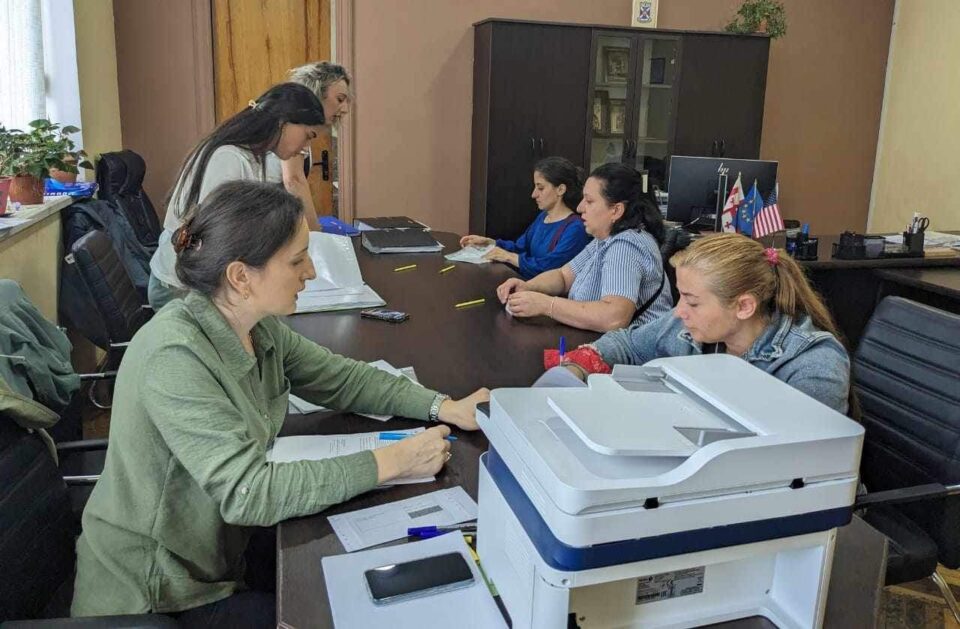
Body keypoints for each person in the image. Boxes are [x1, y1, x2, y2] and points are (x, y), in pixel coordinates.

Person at [72, 181, 490, 625]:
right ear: (241, 276)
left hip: (222, 551)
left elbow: (341, 379)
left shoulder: (254, 325)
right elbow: (248, 493)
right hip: (160, 591)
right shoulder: (175, 357)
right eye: (296, 260)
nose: (310, 272)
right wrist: (392, 462)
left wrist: (444, 407)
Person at [554, 233, 851, 414]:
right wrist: (575, 368)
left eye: (692, 302)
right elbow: (626, 343)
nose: (679, 312)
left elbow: (798, 465)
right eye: (681, 296)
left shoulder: (813, 366)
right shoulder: (688, 327)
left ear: (744, 306)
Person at [148, 82, 328, 310]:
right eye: (308, 136)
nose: (305, 147)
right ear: (283, 123)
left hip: (202, 279)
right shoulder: (229, 158)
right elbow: (217, 237)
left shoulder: (255, 157)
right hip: (179, 287)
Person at [495, 163, 672, 332]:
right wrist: (528, 286)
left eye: (589, 201)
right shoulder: (604, 239)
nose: (580, 208)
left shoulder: (626, 246)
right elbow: (564, 276)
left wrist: (546, 305)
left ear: (616, 210)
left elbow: (614, 317)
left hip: (635, 351)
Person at [459, 156, 591, 279]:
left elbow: (550, 268)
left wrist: (508, 257)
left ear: (560, 189)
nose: (534, 194)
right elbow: (520, 247)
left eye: (540, 188)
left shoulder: (576, 228)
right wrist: (490, 243)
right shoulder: (543, 217)